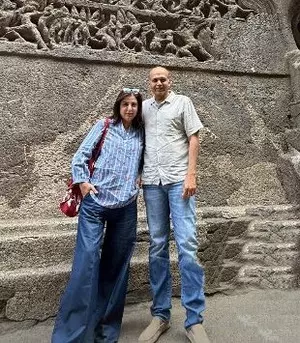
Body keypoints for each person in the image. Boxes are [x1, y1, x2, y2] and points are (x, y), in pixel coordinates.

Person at [52, 88, 144, 343]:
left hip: (125, 207)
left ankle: (104, 331)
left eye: (134, 105)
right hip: (95, 205)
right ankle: (71, 335)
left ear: (138, 108)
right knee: (86, 266)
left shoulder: (141, 133)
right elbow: (80, 156)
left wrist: (141, 176)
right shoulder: (104, 126)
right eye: (125, 104)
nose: (129, 109)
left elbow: (145, 160)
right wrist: (82, 183)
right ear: (119, 106)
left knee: (116, 269)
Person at [138, 67, 210, 343]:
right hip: (153, 184)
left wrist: (191, 174)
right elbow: (137, 141)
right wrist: (137, 173)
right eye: (154, 79)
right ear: (150, 83)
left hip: (179, 183)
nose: (159, 83)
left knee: (187, 246)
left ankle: (194, 321)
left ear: (170, 82)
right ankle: (160, 316)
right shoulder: (143, 108)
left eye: (163, 79)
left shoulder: (183, 103)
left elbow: (194, 138)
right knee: (157, 246)